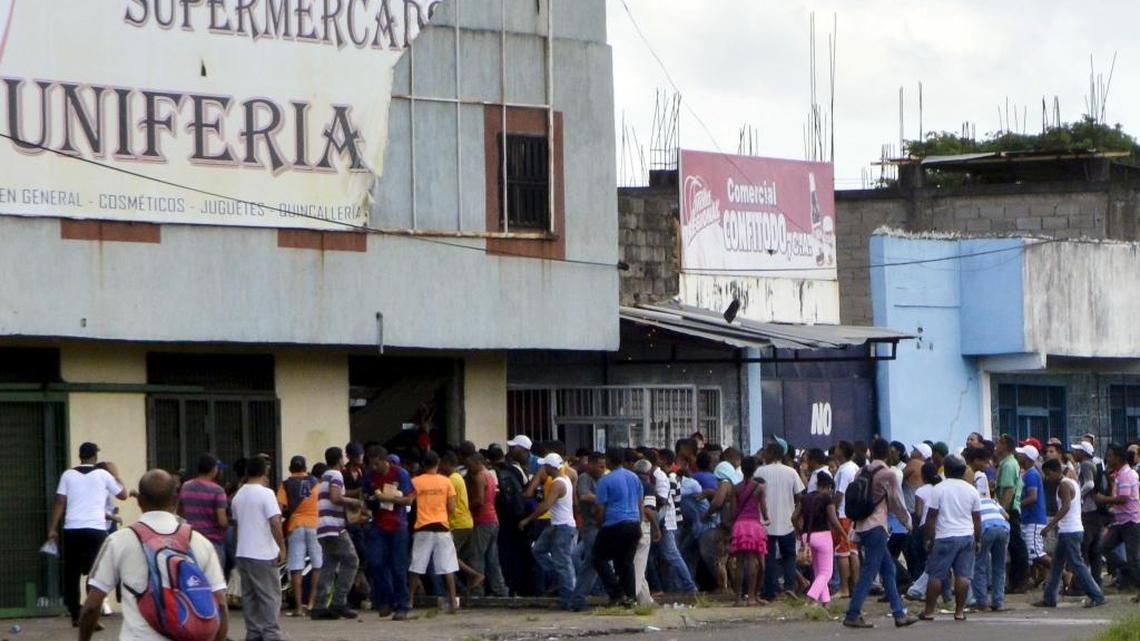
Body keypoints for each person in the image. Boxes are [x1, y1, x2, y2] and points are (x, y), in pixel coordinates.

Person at [79, 470, 228, 641]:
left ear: (140, 501)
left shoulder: (118, 541)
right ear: (175, 500)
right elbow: (221, 606)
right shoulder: (199, 541)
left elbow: (92, 606)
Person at [47, 442, 128, 627]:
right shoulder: (103, 475)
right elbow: (123, 495)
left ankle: (75, 613)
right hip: (96, 530)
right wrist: (116, 476)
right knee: (95, 575)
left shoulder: (67, 474)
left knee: (72, 573)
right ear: (95, 457)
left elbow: (60, 502)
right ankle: (91, 616)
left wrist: (53, 528)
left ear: (80, 456)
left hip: (72, 529)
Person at [842, 439, 917, 629]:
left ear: (871, 453)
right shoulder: (888, 474)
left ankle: (899, 614)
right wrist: (907, 522)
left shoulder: (862, 471)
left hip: (861, 525)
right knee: (869, 571)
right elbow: (897, 503)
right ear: (888, 454)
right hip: (877, 526)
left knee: (888, 570)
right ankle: (853, 613)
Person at [1034, 458, 1106, 608]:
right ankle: (1049, 598)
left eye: (1048, 474)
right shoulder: (1072, 482)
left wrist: (1050, 525)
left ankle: (1096, 595)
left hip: (1069, 531)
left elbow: (1066, 506)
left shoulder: (1064, 486)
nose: (1047, 477)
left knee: (1077, 565)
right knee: (1056, 565)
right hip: (1070, 530)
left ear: (1056, 471)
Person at [919, 455, 981, 622]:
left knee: (936, 575)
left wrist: (928, 538)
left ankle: (929, 611)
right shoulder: (971, 490)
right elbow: (977, 518)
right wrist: (978, 539)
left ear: (945, 470)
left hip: (944, 536)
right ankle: (960, 611)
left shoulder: (939, 489)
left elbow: (931, 516)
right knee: (963, 576)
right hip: (966, 536)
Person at [231, 455, 287, 641]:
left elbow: (237, 526)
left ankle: (253, 632)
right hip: (262, 553)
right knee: (270, 595)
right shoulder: (266, 494)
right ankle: (271, 633)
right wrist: (282, 546)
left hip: (243, 552)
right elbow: (275, 523)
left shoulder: (238, 496)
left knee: (250, 596)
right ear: (265, 472)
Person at [363, 446, 414, 620]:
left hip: (397, 524)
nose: (374, 467)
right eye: (372, 464)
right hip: (378, 524)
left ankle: (402, 604)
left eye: (377, 464)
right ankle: (385, 599)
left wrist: (392, 499)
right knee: (376, 562)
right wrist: (371, 501)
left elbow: (409, 498)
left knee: (398, 566)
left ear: (385, 461)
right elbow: (365, 495)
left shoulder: (400, 474)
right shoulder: (370, 477)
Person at [312, 447, 363, 620]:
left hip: (322, 527)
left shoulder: (324, 476)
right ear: (340, 459)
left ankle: (320, 606)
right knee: (352, 560)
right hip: (334, 527)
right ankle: (339, 602)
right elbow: (335, 498)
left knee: (329, 564)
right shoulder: (336, 475)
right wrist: (354, 501)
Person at [521, 453, 576, 610]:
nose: (543, 468)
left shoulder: (558, 483)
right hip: (557, 525)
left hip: (563, 527)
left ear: (551, 467)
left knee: (563, 562)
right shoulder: (564, 479)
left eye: (545, 465)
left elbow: (546, 505)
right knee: (538, 550)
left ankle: (569, 598)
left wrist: (528, 519)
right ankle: (560, 579)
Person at [408, 451, 461, 613]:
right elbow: (452, 507)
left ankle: (409, 600)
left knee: (417, 565)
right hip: (442, 527)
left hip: (423, 526)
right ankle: (452, 602)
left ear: (423, 465)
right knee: (448, 566)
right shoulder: (446, 482)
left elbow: (409, 502)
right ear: (437, 464)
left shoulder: (415, 482)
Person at [593, 447, 644, 607]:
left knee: (598, 557)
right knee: (625, 563)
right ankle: (630, 598)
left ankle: (616, 593)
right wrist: (639, 523)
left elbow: (600, 508)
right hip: (634, 522)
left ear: (608, 460)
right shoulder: (634, 477)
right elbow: (640, 503)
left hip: (615, 523)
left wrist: (601, 525)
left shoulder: (605, 480)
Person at [754, 442, 804, 601]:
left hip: (766, 523)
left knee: (768, 558)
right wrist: (795, 516)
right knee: (789, 556)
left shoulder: (760, 471)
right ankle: (790, 588)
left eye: (765, 452)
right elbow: (800, 497)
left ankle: (770, 590)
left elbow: (754, 495)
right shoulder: (791, 472)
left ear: (770, 454)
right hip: (787, 522)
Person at [277, 455, 322, 617]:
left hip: (296, 525)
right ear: (305, 469)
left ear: (290, 469)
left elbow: (279, 509)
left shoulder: (286, 485)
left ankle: (298, 608)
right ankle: (311, 603)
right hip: (315, 525)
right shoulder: (316, 482)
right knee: (318, 564)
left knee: (296, 566)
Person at [1096, 443, 1140, 601]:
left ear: (1118, 458)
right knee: (1103, 547)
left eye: (1110, 456)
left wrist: (1103, 499)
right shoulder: (1120, 474)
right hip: (1121, 521)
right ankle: (1127, 570)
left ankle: (1133, 580)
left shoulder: (1127, 474)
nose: (1108, 459)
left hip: (1130, 522)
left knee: (1133, 557)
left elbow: (1123, 498)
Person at [794, 471, 842, 607]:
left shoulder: (805, 498)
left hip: (807, 536)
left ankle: (825, 602)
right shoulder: (827, 498)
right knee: (826, 573)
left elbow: (794, 517)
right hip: (823, 536)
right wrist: (844, 534)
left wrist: (799, 532)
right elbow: (833, 520)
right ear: (829, 487)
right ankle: (811, 597)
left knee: (818, 571)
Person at [466, 453, 509, 598]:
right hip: (493, 518)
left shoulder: (479, 476)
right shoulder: (490, 475)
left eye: (470, 464)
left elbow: (479, 500)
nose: (468, 468)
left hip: (482, 520)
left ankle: (477, 590)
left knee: (476, 556)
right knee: (492, 558)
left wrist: (465, 506)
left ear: (477, 463)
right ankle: (500, 589)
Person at [178, 454, 230, 572]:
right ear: (214, 469)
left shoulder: (186, 486)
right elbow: (222, 522)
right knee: (214, 582)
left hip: (191, 540)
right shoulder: (218, 491)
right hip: (213, 542)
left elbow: (180, 512)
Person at [728, 456, 768, 606]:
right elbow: (764, 511)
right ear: (755, 470)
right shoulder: (759, 487)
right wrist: (768, 519)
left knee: (739, 563)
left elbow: (732, 512)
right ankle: (751, 597)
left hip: (739, 526)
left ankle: (737, 599)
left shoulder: (735, 488)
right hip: (753, 526)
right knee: (752, 561)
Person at [995, 435, 1028, 592]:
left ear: (1005, 446)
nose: (996, 447)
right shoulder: (1008, 463)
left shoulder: (1008, 464)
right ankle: (1016, 581)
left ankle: (1020, 580)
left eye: (998, 444)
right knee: (1014, 545)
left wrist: (1003, 510)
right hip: (1011, 509)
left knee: (1015, 545)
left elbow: (1008, 489)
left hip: (1010, 510)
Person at [1071, 441, 1106, 588]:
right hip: (1095, 513)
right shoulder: (1093, 464)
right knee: (1095, 551)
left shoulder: (1085, 465)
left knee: (1085, 549)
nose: (1074, 453)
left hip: (1088, 511)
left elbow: (1090, 484)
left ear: (1084, 453)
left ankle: (1082, 584)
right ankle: (1096, 581)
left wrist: (1079, 495)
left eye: (1077, 451)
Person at [1017, 444, 1050, 586]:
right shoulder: (1028, 473)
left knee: (1035, 552)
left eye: (1021, 455)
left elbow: (1033, 497)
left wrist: (1017, 505)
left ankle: (1063, 573)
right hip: (1028, 519)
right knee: (1031, 551)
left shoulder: (1031, 474)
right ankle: (1041, 575)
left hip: (1034, 519)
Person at [831, 440, 861, 598]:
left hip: (843, 514)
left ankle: (844, 588)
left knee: (841, 552)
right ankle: (855, 586)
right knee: (853, 551)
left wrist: (832, 509)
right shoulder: (855, 467)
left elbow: (839, 494)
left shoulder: (843, 471)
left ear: (841, 451)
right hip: (854, 515)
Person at [972, 491, 1010, 611]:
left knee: (980, 566)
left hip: (986, 529)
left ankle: (982, 602)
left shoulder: (972, 502)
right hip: (1002, 528)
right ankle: (998, 602)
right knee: (999, 567)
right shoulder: (992, 501)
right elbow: (1007, 516)